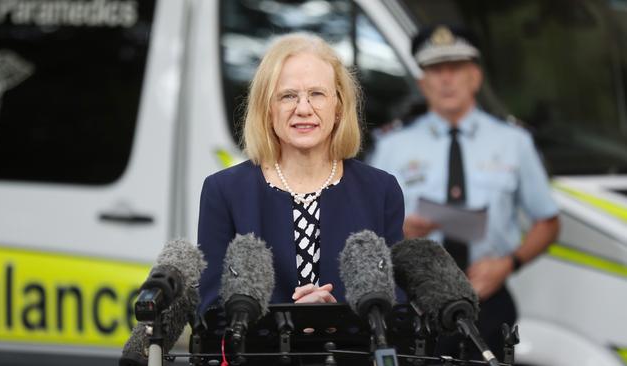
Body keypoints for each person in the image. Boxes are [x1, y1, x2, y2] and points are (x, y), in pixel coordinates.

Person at [369, 25, 560, 358]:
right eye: (435, 70)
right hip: (414, 302)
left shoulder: (514, 143)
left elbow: (548, 222)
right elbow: (367, 228)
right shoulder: (391, 146)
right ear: (422, 82)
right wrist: (397, 232)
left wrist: (508, 264)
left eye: (455, 68)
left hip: (487, 298)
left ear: (475, 76)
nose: (446, 79)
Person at [197, 33, 404, 314]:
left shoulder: (380, 191)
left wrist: (334, 323)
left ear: (339, 107)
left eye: (317, 94)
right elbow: (210, 314)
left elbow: (398, 309)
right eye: (288, 96)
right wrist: (291, 320)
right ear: (267, 110)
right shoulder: (224, 192)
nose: (303, 109)